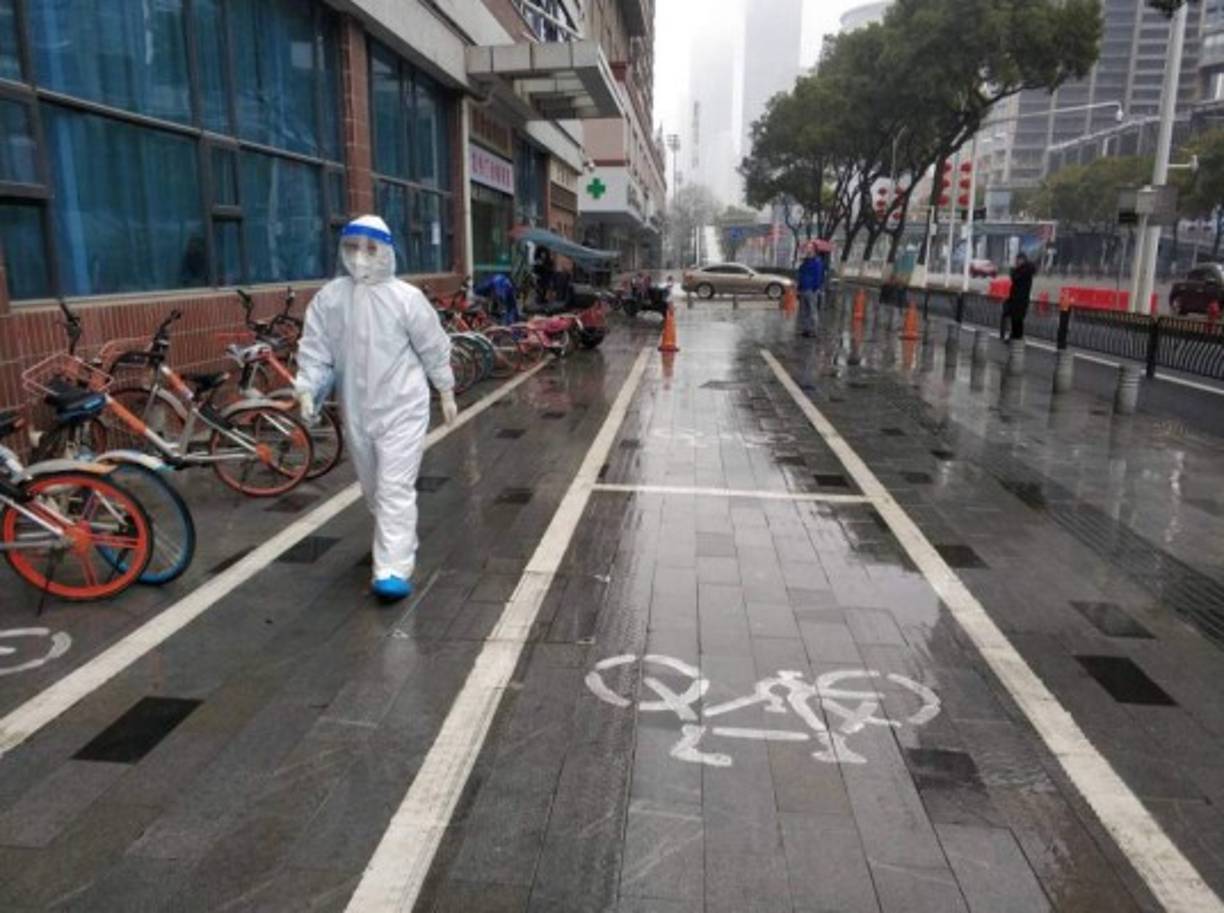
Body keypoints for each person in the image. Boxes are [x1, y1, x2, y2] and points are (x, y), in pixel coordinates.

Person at [295, 215, 457, 602]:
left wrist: (446, 389)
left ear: (386, 250)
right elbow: (315, 349)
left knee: (392, 487)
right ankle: (399, 539)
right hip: (356, 408)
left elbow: (434, 346)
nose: (360, 257)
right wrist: (308, 387)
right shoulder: (330, 299)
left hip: (403, 405)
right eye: (352, 248)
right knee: (372, 487)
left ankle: (392, 568)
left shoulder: (406, 299)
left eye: (370, 248)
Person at [1003, 251, 1037, 341]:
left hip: (1021, 299)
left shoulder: (1025, 271)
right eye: (1017, 259)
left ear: (1024, 260)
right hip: (1015, 299)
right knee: (1015, 319)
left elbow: (1015, 278)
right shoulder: (1021, 270)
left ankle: (1017, 338)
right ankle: (1014, 337)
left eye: (1019, 259)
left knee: (1018, 320)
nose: (1017, 261)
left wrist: (1014, 271)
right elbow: (1014, 279)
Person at [796, 245, 825, 337]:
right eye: (807, 249)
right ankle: (806, 329)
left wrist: (815, 288)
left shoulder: (817, 263)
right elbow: (800, 274)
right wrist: (799, 288)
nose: (807, 251)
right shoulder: (805, 263)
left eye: (810, 249)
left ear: (814, 252)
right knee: (804, 311)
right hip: (803, 289)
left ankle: (814, 330)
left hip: (811, 290)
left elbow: (818, 276)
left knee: (812, 310)